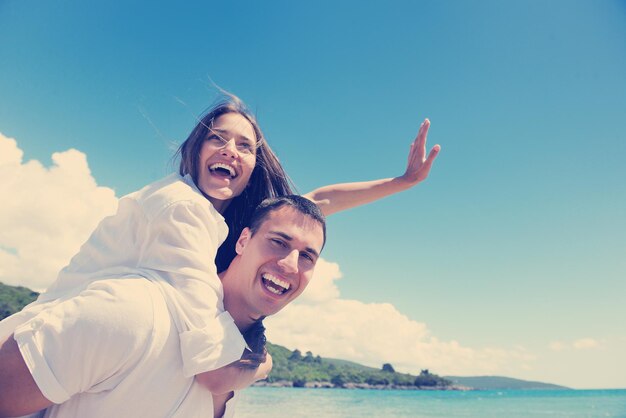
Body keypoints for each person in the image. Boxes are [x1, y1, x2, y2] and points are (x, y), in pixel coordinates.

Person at [0, 93, 440, 402]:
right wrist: (262, 363)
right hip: (37, 351)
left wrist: (403, 182)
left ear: (253, 164)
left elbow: (317, 202)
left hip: (76, 363)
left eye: (245, 146)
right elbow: (213, 368)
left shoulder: (223, 216)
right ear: (195, 150)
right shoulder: (181, 208)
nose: (231, 149)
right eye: (217, 138)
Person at [0, 195, 326, 418]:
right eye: (278, 242)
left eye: (307, 256)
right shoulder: (134, 313)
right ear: (242, 241)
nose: (290, 264)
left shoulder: (236, 363)